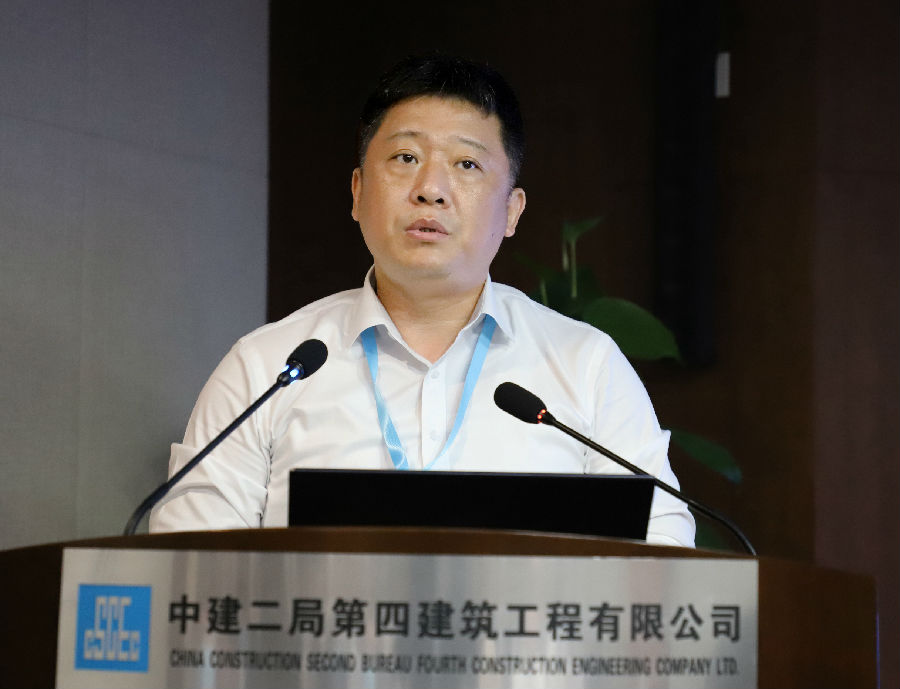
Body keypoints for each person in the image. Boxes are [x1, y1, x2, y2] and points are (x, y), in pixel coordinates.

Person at [149, 54, 695, 546]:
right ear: (358, 192)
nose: (430, 189)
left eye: (466, 164)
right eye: (405, 157)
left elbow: (664, 556)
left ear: (512, 211)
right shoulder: (268, 367)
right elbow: (189, 565)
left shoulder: (587, 366)